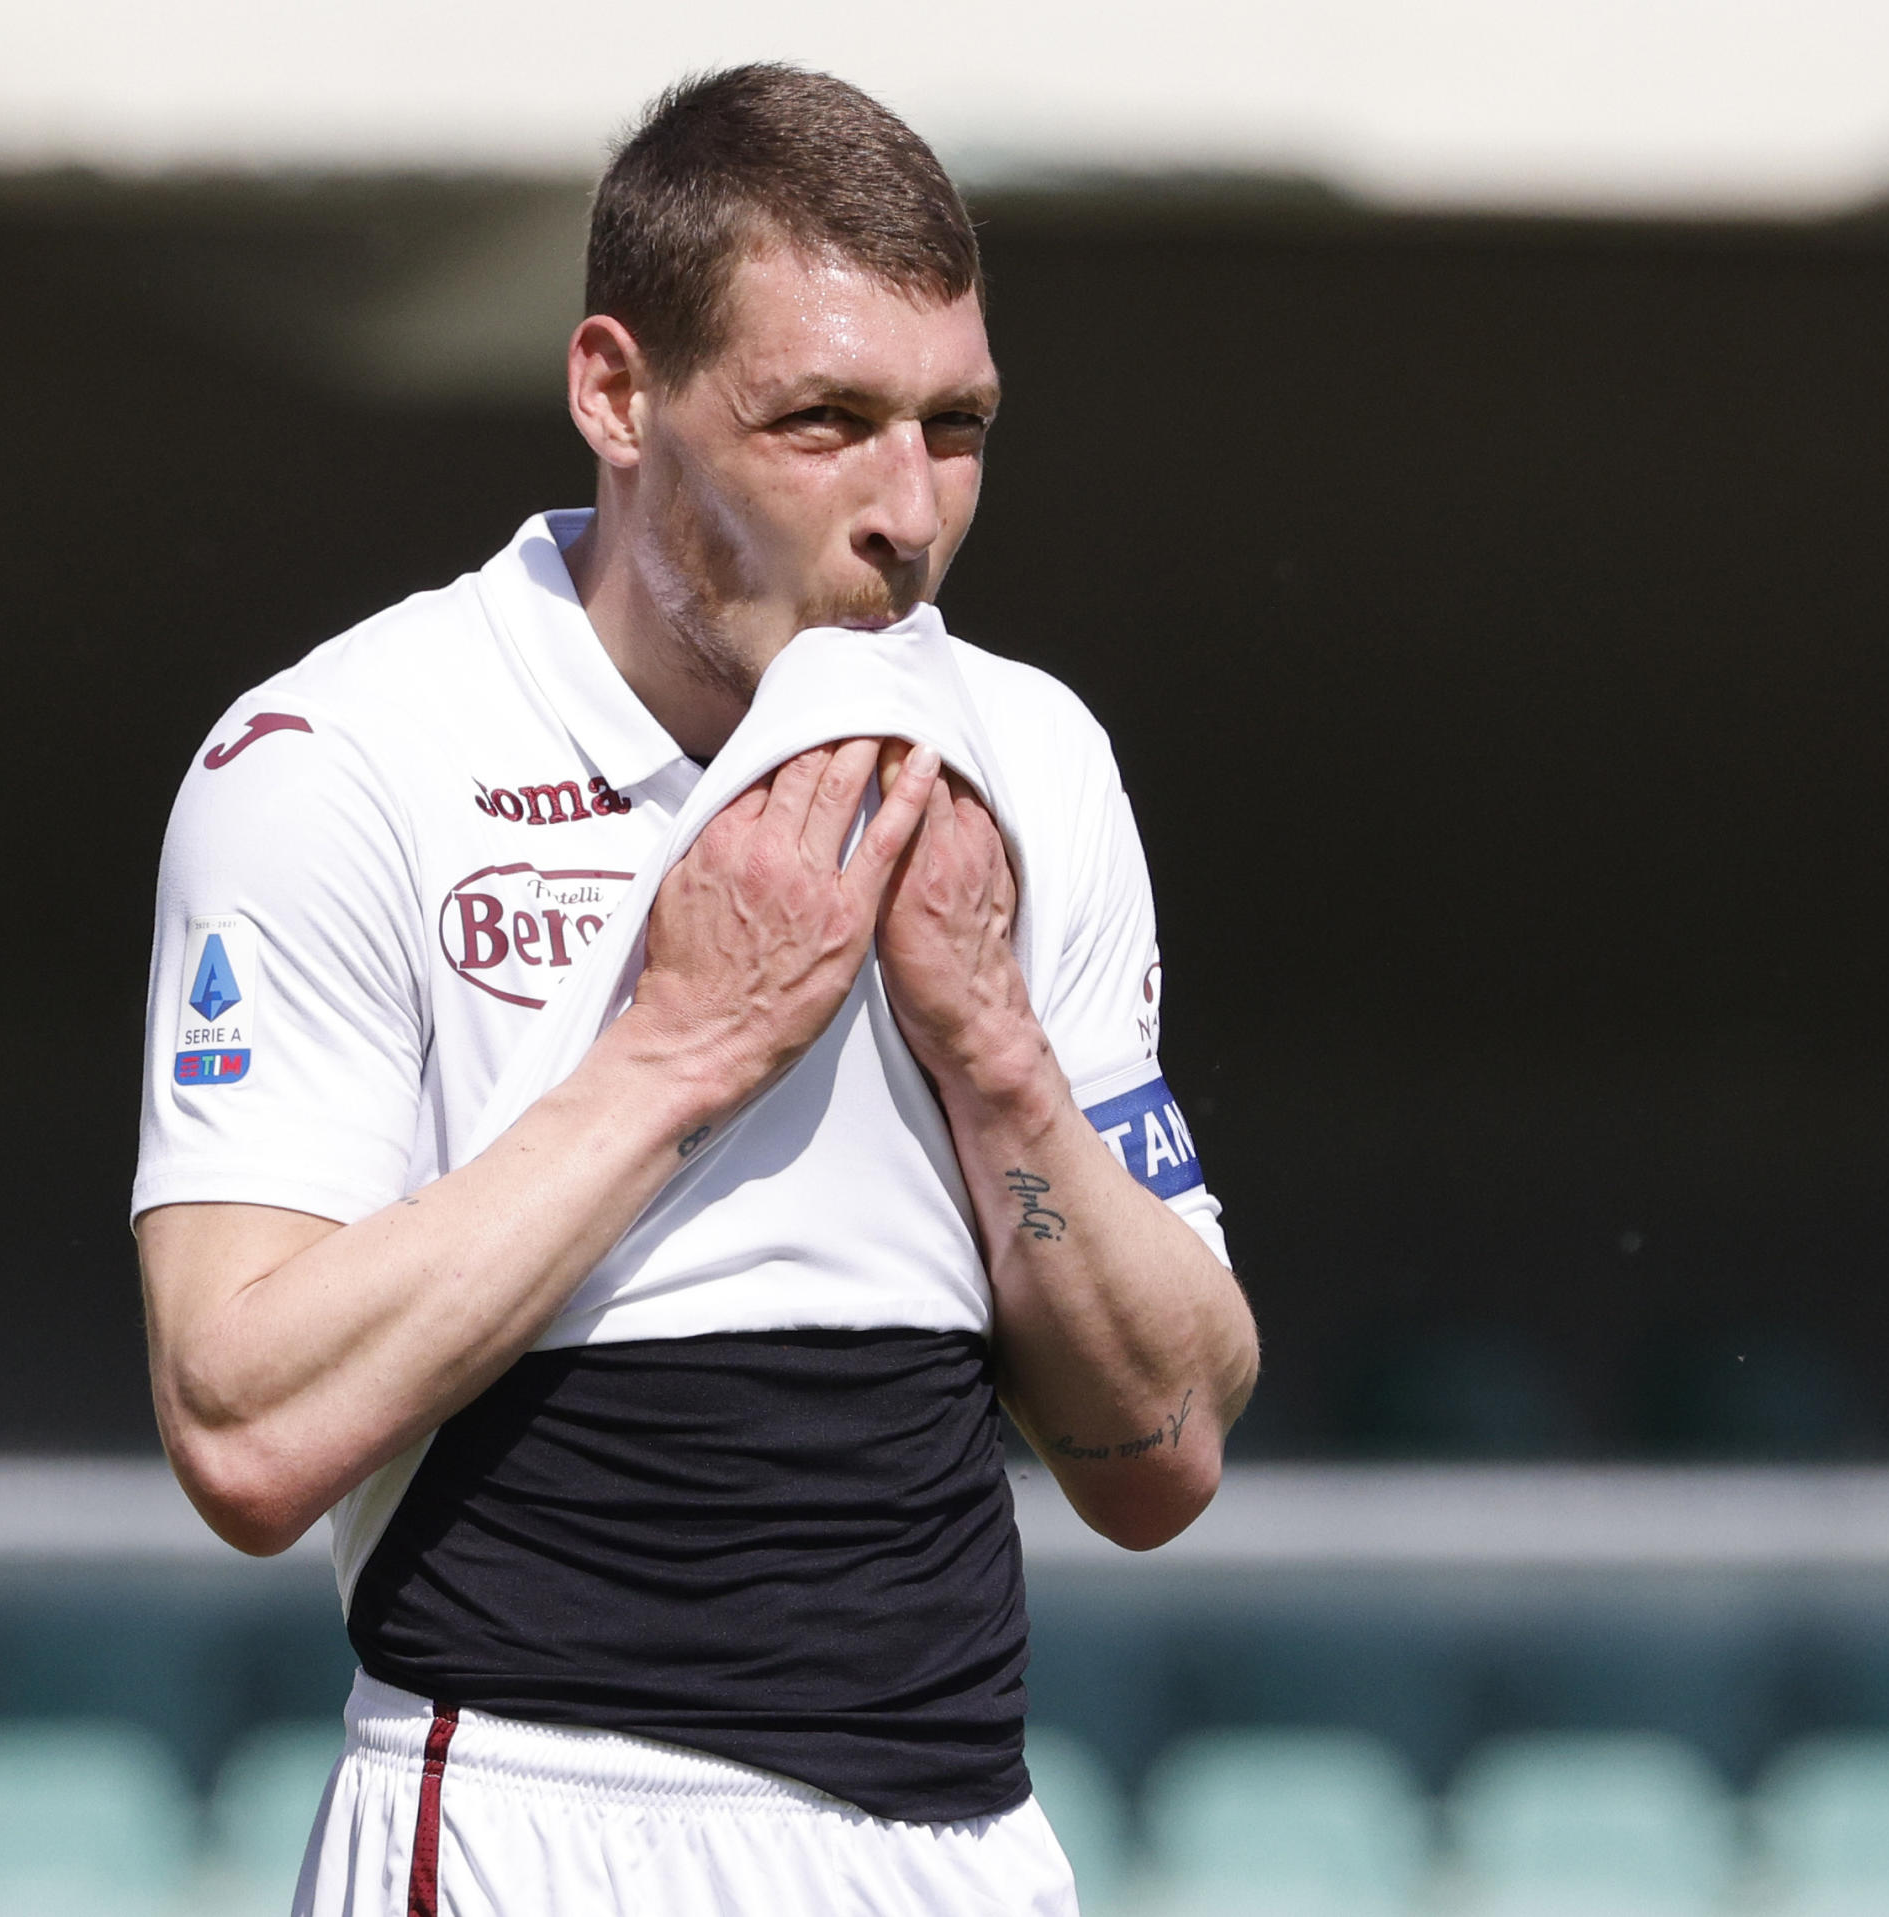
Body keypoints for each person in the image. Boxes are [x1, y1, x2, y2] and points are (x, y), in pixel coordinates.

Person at [130, 63, 1258, 1916]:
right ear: (615, 391)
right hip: (531, 1809)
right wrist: (682, 1050)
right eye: (824, 419)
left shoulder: (1035, 757)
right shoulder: (339, 753)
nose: (912, 509)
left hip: (962, 1840)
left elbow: (1164, 1451)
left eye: (956, 424)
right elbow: (242, 1430)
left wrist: (996, 1057)